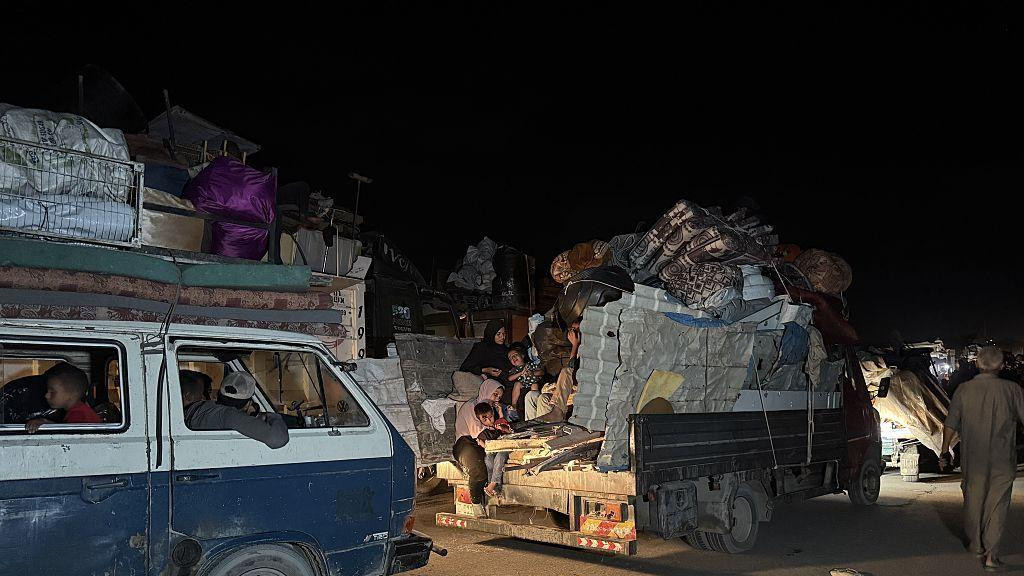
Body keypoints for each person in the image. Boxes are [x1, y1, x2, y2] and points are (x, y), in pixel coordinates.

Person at [939, 346, 1024, 571]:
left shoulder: (964, 390)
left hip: (972, 458)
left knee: (973, 501)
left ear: (977, 364)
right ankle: (991, 556)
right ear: (1002, 366)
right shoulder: (1012, 389)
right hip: (1003, 458)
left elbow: (950, 424)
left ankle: (976, 545)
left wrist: (944, 451)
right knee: (997, 504)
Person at [181, 371, 289, 449]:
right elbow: (277, 439)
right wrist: (274, 417)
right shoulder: (230, 416)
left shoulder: (201, 406)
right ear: (247, 402)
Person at [453, 379, 505, 506]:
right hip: (466, 443)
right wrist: (495, 427)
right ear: (487, 391)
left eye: (499, 396)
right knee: (479, 471)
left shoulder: (492, 409)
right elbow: (477, 434)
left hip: (483, 442)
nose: (497, 398)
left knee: (493, 461)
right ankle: (476, 503)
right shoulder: (471, 407)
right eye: (495, 394)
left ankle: (490, 491)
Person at [25, 364, 101, 433]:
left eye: (52, 392)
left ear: (72, 394)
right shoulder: (79, 411)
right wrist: (45, 422)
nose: (47, 395)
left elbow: (69, 437)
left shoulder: (80, 416)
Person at [532, 322, 581, 422]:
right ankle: (541, 432)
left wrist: (575, 344)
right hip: (571, 390)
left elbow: (571, 369)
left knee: (566, 371)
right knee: (543, 398)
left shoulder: (585, 346)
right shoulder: (571, 348)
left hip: (584, 390)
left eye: (577, 330)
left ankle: (558, 413)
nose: (574, 333)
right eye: (572, 329)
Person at [474, 402, 512, 497]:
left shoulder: (499, 422)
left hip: (507, 446)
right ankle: (496, 488)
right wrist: (484, 445)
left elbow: (511, 431)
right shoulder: (483, 432)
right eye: (484, 419)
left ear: (493, 413)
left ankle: (493, 483)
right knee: (488, 458)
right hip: (493, 451)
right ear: (480, 420)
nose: (489, 420)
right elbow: (484, 445)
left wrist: (504, 428)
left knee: (500, 456)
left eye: (490, 417)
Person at [506, 343, 543, 420]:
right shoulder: (514, 370)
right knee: (517, 384)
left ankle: (535, 405)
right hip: (523, 384)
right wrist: (520, 373)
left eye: (515, 355)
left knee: (534, 385)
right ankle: (514, 405)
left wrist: (532, 373)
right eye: (510, 358)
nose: (513, 358)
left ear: (522, 356)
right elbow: (510, 378)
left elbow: (541, 372)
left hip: (533, 382)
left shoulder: (530, 365)